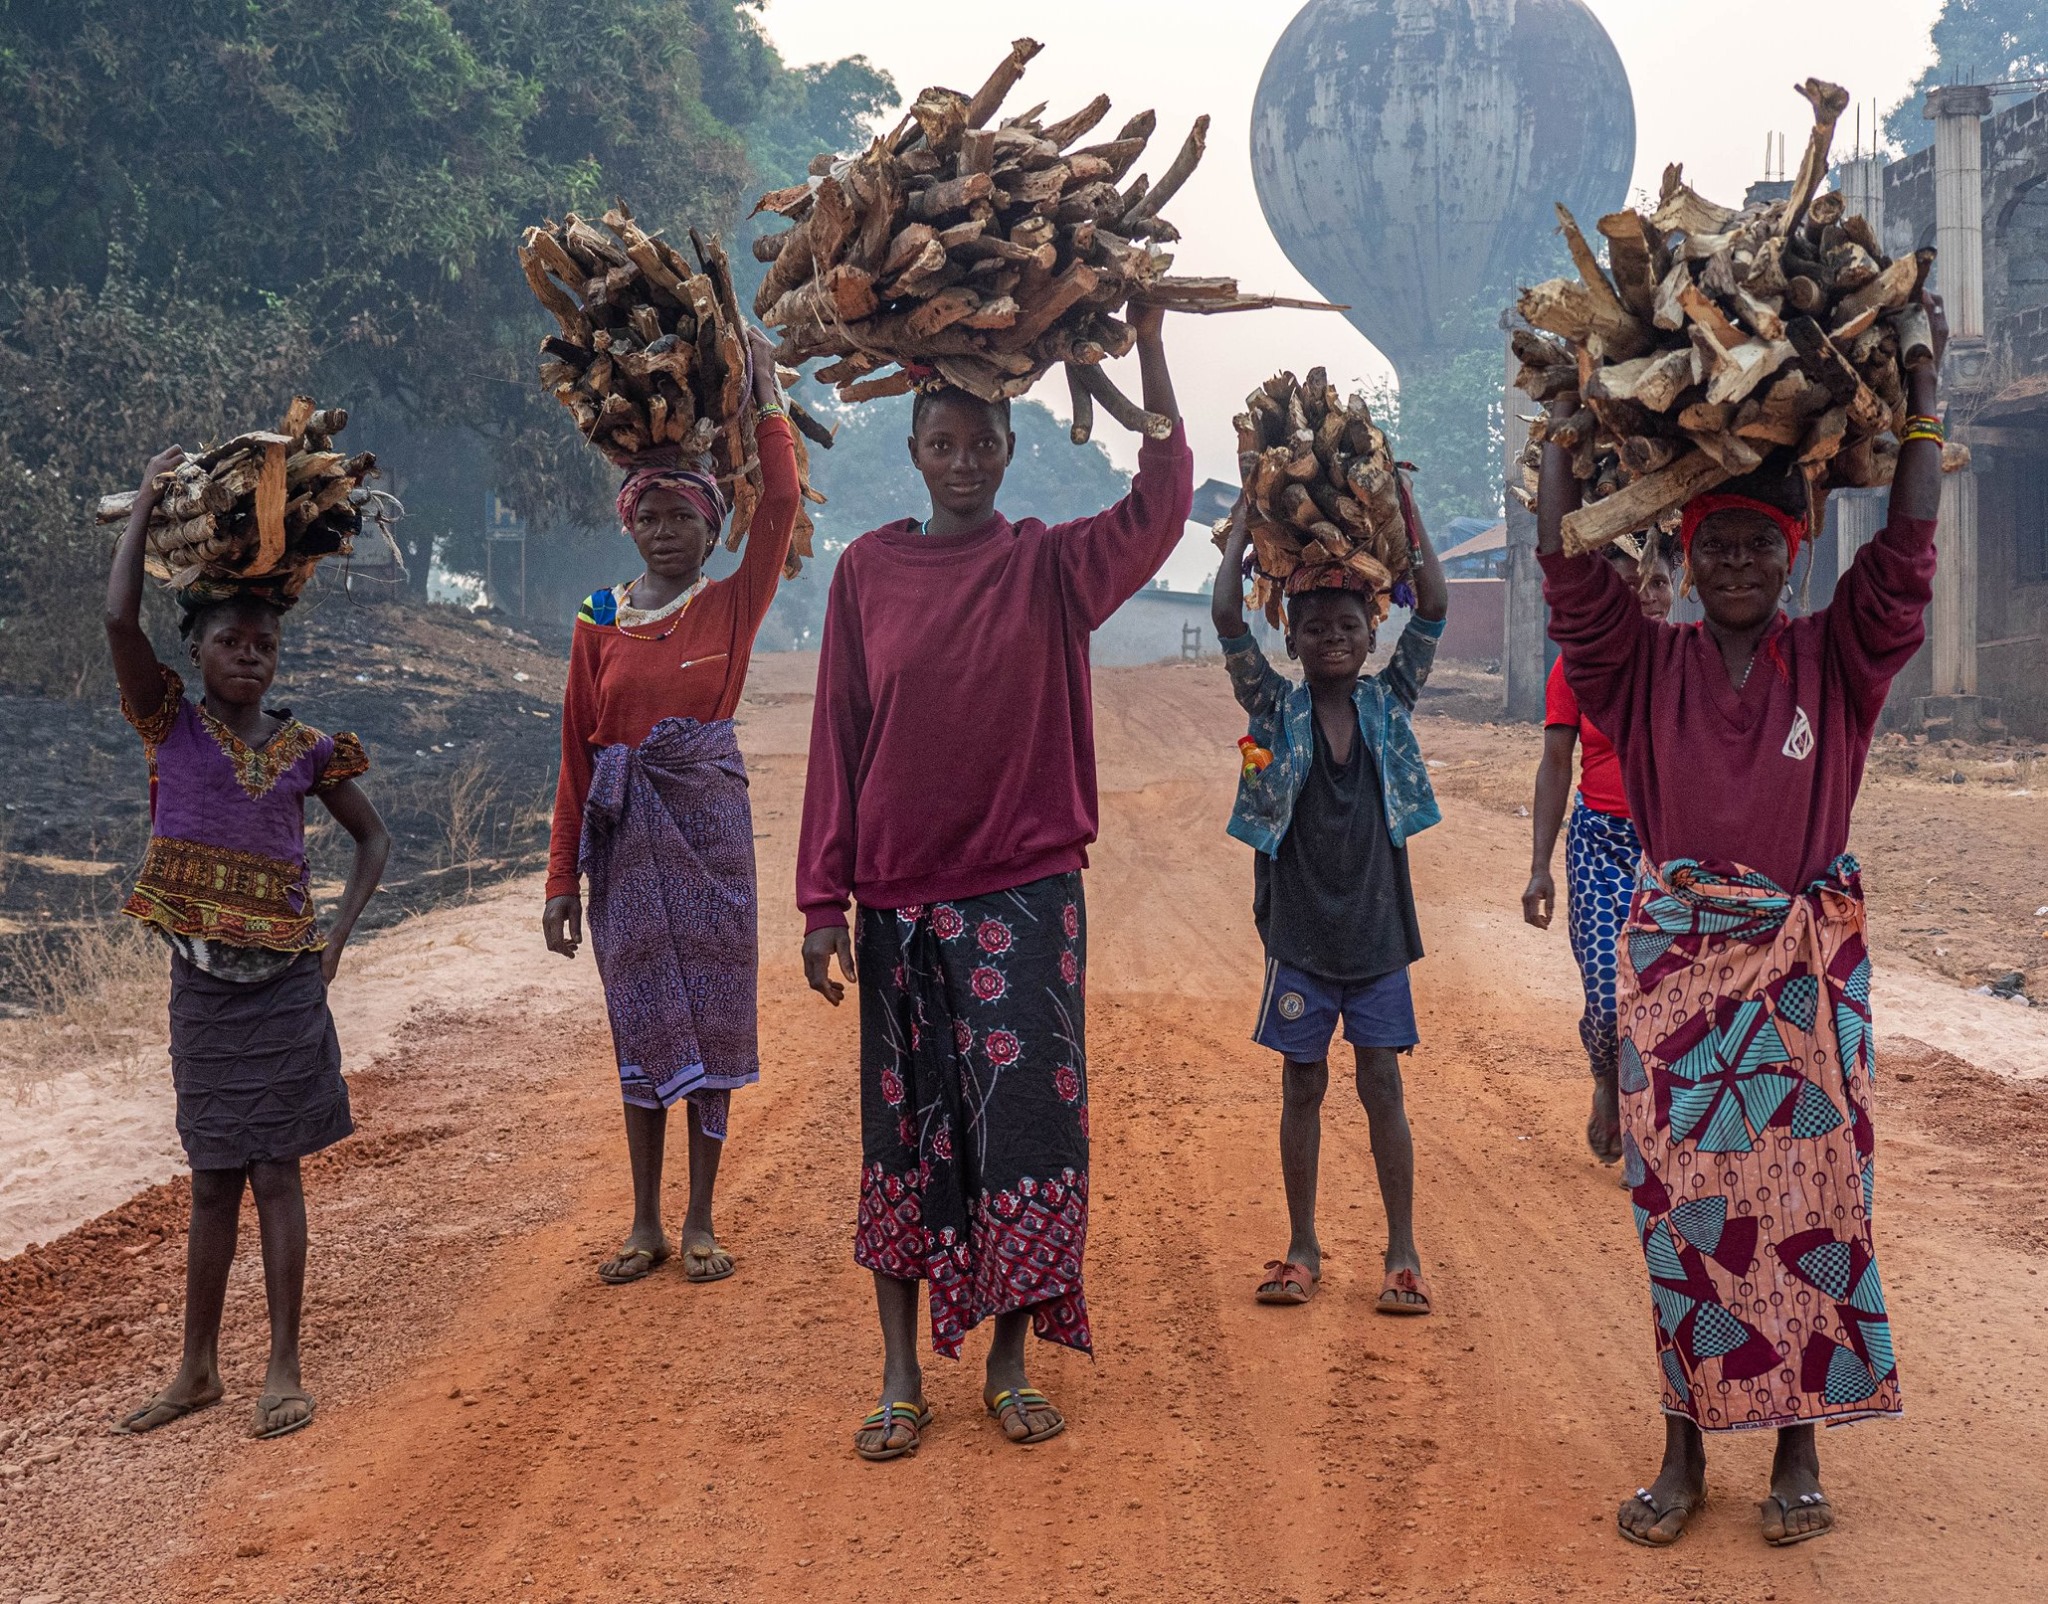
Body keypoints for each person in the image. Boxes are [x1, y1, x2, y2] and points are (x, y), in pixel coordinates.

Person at [1540, 293, 1949, 1549]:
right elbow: (1564, 570)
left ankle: (1795, 1451)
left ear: (1790, 558)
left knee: (1809, 1209)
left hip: (1801, 978)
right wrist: (1565, 415)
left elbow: (1906, 554)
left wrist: (1921, 396)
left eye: (1754, 547)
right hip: (1674, 976)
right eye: (1710, 543)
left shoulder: (1834, 658)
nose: (1730, 564)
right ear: (1681, 553)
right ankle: (1680, 1454)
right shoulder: (1638, 664)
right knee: (1682, 1217)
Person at [797, 308, 1191, 1460]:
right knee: (906, 1136)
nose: (961, 461)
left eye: (979, 442)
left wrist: (1147, 348)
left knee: (1023, 1130)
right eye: (940, 442)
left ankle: (1012, 1359)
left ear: (1010, 447)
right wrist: (824, 901)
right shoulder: (867, 573)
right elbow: (839, 736)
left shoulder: (1049, 566)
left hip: (1024, 900)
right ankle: (897, 1372)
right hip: (900, 902)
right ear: (913, 449)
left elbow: (1162, 501)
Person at [105, 446, 390, 1441]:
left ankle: (281, 1363)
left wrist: (337, 939)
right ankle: (195, 1366)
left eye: (264, 642)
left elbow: (372, 839)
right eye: (230, 638)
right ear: (198, 650)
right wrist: (144, 501)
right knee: (214, 1178)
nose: (250, 653)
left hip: (284, 991)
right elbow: (116, 619)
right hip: (202, 991)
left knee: (278, 1174)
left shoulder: (309, 746)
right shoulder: (168, 722)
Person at [543, 325, 796, 1288]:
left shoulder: (731, 606)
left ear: (709, 525)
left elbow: (778, 501)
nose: (665, 530)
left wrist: (766, 386)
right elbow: (577, 751)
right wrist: (560, 879)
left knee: (716, 1027)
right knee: (641, 1029)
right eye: (649, 514)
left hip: (712, 845)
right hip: (624, 850)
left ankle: (699, 1220)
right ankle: (644, 1222)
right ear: (628, 521)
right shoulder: (597, 623)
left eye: (683, 515)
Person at [1210, 487, 1448, 1314]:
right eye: (1315, 628)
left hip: (1379, 936)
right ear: (1293, 637)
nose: (1333, 640)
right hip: (1302, 936)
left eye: (1349, 627)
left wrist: (1404, 510)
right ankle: (1302, 1246)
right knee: (1301, 1086)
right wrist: (1241, 532)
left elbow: (1437, 609)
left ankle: (1403, 1250)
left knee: (1383, 1085)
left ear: (1371, 633)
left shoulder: (1389, 702)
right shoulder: (1274, 707)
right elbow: (1229, 625)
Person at [1522, 533, 1675, 1163]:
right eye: (1631, 585)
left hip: (1671, 848)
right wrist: (1539, 867)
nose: (1649, 596)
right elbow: (1557, 761)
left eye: (1659, 581)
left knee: (1666, 997)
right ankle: (1606, 1081)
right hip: (1598, 843)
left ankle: (1648, 1134)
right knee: (1610, 999)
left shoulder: (1691, 660)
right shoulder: (1576, 668)